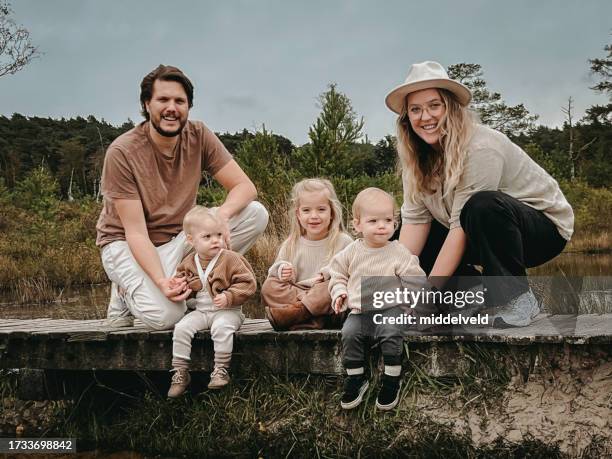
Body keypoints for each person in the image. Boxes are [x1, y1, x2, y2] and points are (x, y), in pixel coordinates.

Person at [385, 61, 574, 327]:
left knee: (482, 205)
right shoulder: (416, 160)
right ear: (407, 118)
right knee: (394, 233)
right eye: (415, 110)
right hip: (473, 229)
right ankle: (469, 293)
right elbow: (415, 228)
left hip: (541, 230)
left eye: (434, 106)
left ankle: (518, 296)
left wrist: (427, 294)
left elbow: (460, 227)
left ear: (451, 108)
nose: (425, 117)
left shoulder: (481, 147)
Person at [96, 64, 268, 331]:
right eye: (163, 100)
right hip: (128, 244)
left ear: (188, 106)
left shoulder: (198, 135)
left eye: (180, 101)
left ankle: (198, 283)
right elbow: (136, 234)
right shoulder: (123, 152)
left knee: (255, 213)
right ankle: (123, 292)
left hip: (178, 240)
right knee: (166, 317)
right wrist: (162, 282)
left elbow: (245, 187)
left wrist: (219, 218)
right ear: (146, 104)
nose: (171, 108)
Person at [329, 188, 426, 411]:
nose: (382, 225)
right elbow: (337, 274)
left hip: (391, 308)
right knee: (350, 333)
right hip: (360, 311)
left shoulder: (398, 251)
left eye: (388, 220)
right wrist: (339, 292)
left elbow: (416, 279)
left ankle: (392, 377)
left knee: (390, 330)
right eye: (373, 220)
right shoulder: (351, 251)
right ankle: (356, 378)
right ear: (357, 224)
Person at [167, 206, 256, 397]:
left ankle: (220, 370)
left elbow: (249, 283)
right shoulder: (189, 262)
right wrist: (182, 287)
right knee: (181, 328)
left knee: (221, 328)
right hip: (201, 312)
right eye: (207, 237)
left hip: (228, 312)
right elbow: (183, 285)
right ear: (191, 240)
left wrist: (229, 296)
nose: (215, 240)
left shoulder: (231, 259)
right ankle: (180, 372)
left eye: (218, 235)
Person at [262, 178, 353, 330]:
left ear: (331, 212)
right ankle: (314, 318)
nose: (314, 216)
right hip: (300, 292)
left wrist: (326, 275)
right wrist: (282, 270)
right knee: (269, 287)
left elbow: (352, 273)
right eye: (306, 210)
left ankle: (299, 314)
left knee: (330, 288)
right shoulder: (291, 243)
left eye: (321, 209)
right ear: (298, 214)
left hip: (327, 297)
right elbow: (274, 272)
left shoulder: (343, 241)